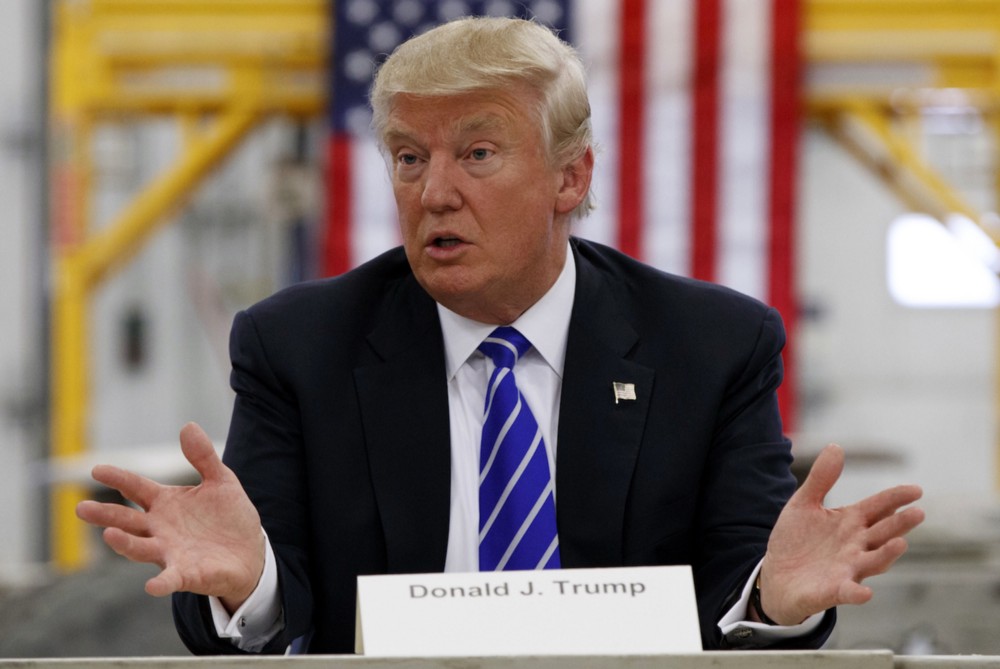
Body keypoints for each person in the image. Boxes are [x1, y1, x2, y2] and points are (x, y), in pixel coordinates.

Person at [76, 16, 924, 654]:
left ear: (570, 176)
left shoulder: (711, 345)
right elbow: (274, 597)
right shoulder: (298, 346)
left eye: (477, 153)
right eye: (409, 157)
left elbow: (742, 591)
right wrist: (250, 580)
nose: (433, 192)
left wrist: (775, 599)